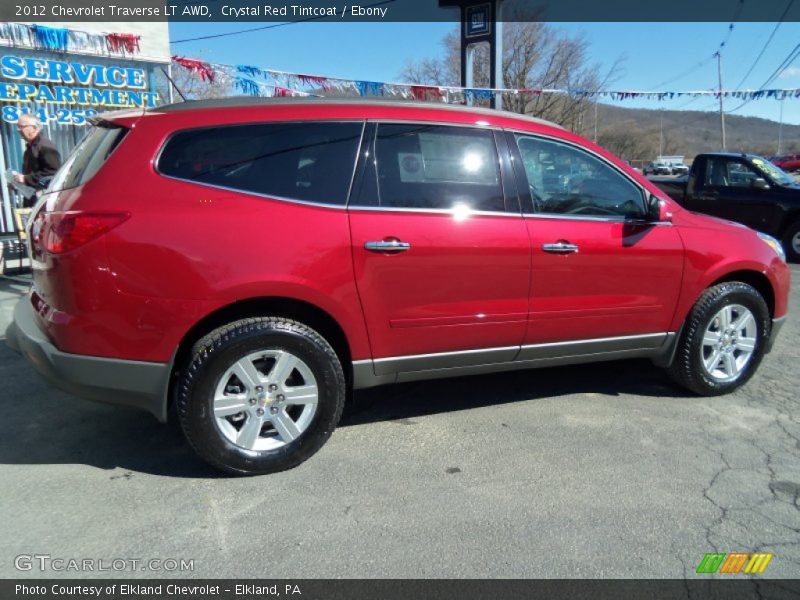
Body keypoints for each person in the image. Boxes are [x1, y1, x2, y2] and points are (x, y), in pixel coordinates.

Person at [11, 114, 61, 208]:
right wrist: (18, 183)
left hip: (42, 199)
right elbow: (32, 173)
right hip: (32, 198)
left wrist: (26, 179)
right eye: (17, 127)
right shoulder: (30, 147)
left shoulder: (45, 145)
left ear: (34, 127)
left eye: (21, 127)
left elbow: (54, 172)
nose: (18, 130)